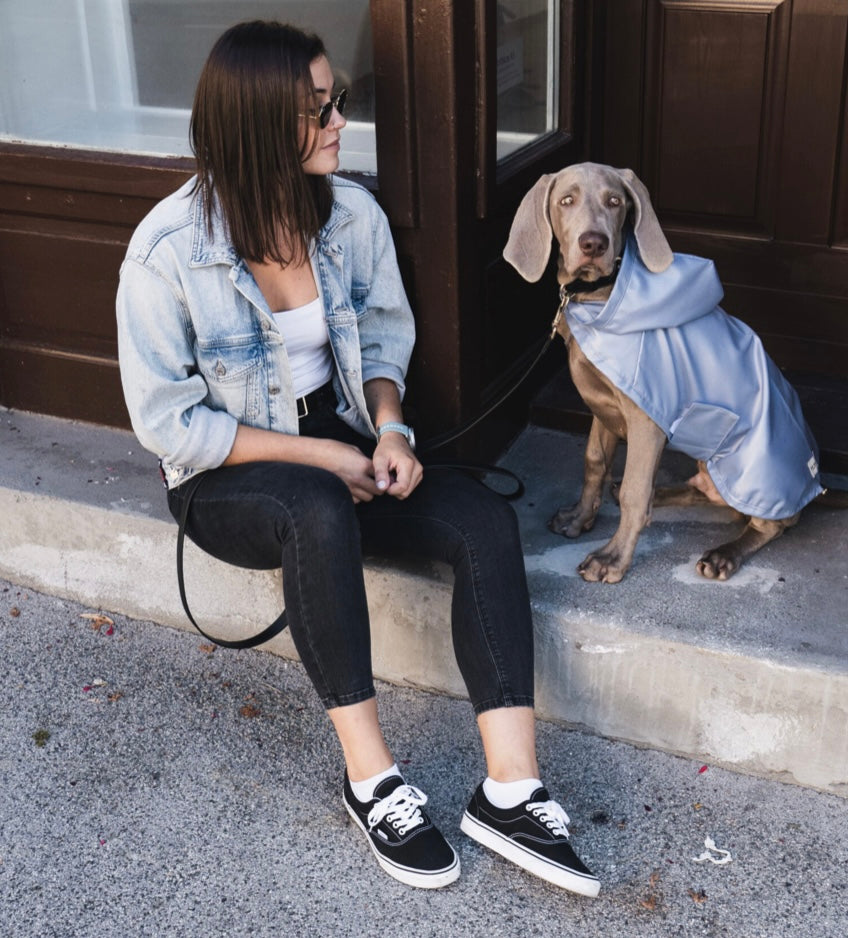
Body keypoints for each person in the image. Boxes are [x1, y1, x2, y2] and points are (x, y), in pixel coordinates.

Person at [116, 20, 598, 897]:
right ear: (261, 122)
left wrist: (388, 433)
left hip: (338, 444)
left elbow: (383, 337)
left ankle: (511, 791)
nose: (341, 118)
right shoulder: (165, 252)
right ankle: (372, 779)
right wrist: (321, 460)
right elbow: (170, 424)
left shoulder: (351, 216)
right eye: (318, 108)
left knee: (479, 517)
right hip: (226, 481)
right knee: (316, 505)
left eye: (337, 99)